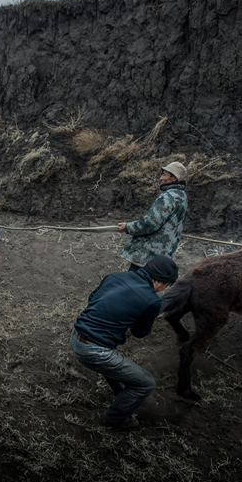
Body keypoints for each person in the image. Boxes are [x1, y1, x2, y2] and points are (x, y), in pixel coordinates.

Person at [70, 255, 179, 429]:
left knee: (114, 365)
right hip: (95, 351)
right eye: (168, 285)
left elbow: (93, 299)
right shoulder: (151, 301)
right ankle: (115, 419)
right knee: (146, 383)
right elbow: (139, 333)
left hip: (76, 334)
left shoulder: (115, 276)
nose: (165, 289)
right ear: (160, 282)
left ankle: (122, 395)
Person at [117, 161, 187, 272]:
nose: (161, 178)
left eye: (164, 175)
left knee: (135, 284)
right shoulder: (182, 196)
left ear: (173, 178)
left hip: (149, 255)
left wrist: (128, 227)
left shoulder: (168, 197)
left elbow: (150, 223)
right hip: (163, 255)